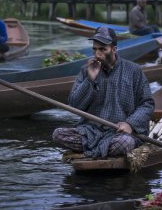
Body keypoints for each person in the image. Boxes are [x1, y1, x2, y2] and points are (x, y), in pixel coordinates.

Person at [52, 27, 155, 158]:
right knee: (58, 134)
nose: (97, 54)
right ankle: (101, 150)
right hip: (91, 132)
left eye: (102, 49)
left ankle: (92, 151)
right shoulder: (86, 70)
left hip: (120, 134)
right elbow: (75, 105)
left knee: (123, 144)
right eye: (94, 49)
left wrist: (130, 124)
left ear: (114, 49)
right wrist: (90, 80)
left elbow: (147, 104)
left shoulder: (133, 70)